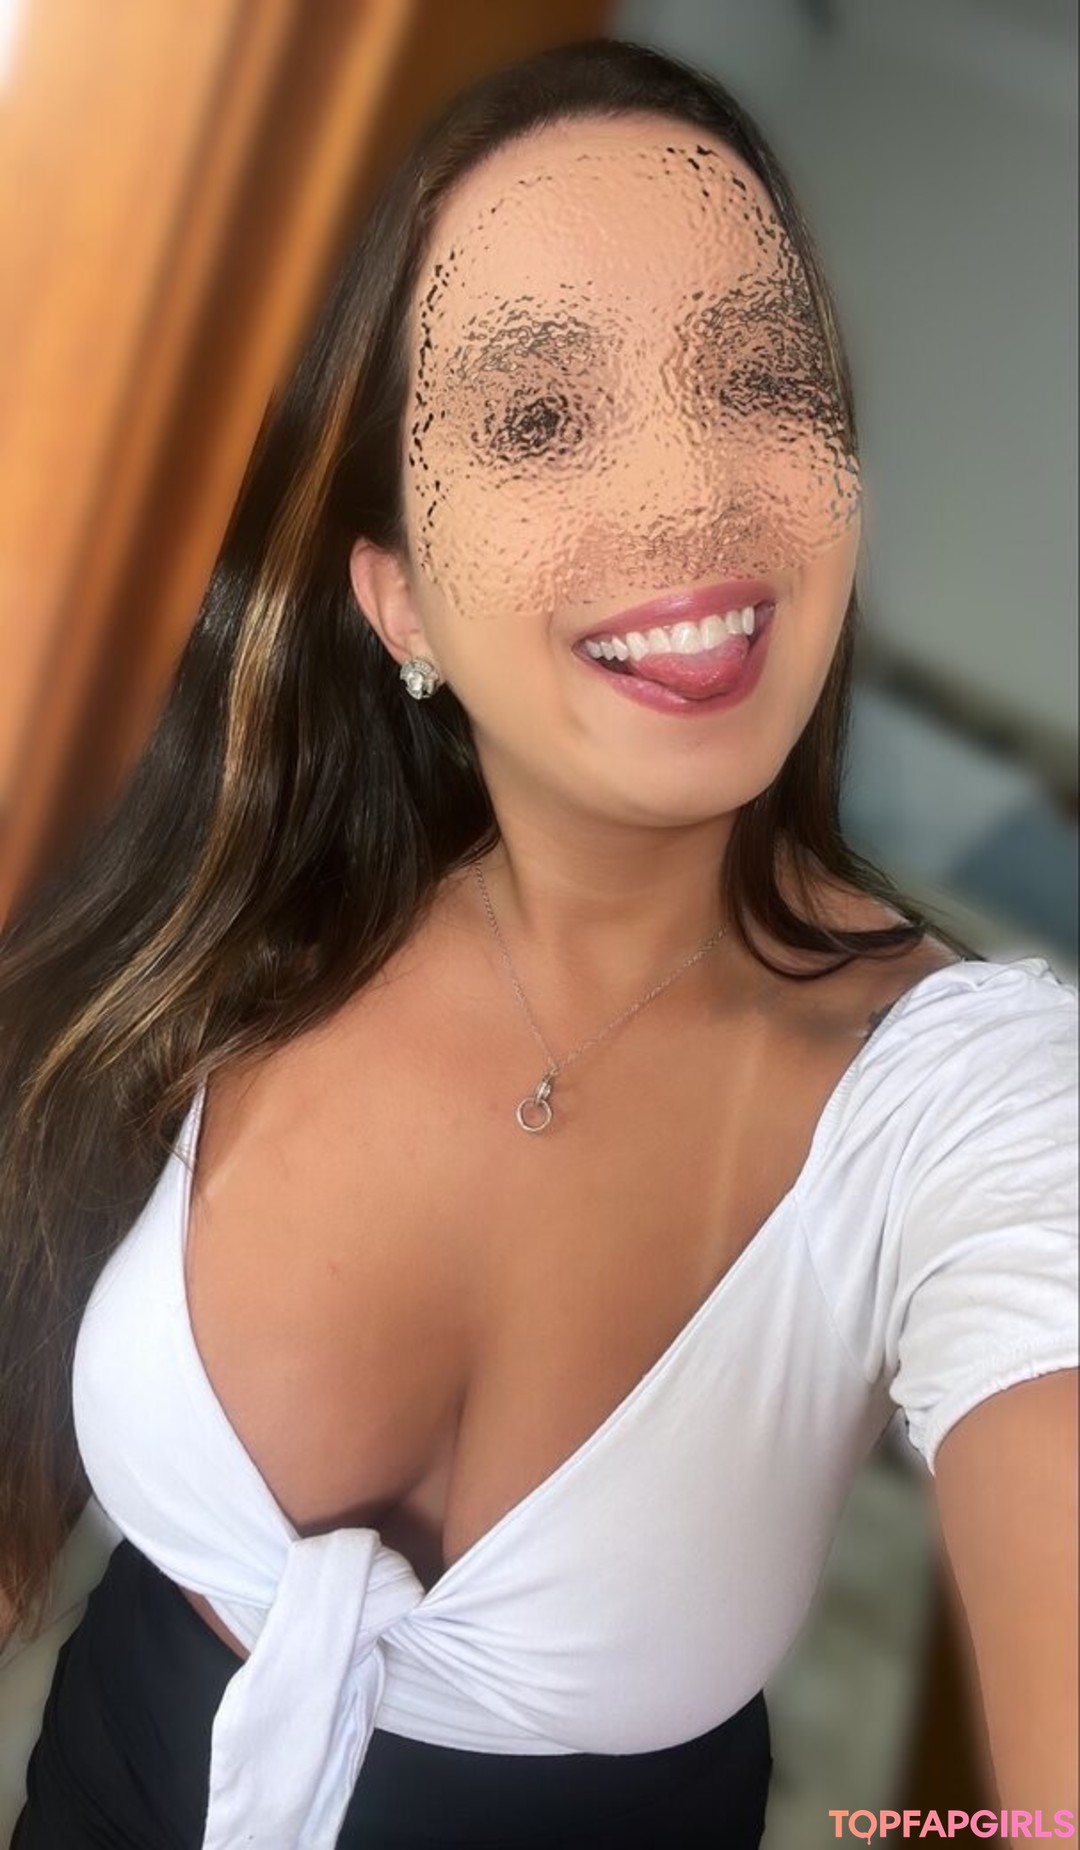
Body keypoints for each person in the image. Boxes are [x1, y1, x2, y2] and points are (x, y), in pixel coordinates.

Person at [2, 35, 1076, 1850]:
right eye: (538, 417)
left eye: (761, 380)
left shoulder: (968, 1100)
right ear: (397, 596)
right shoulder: (249, 909)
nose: (688, 499)